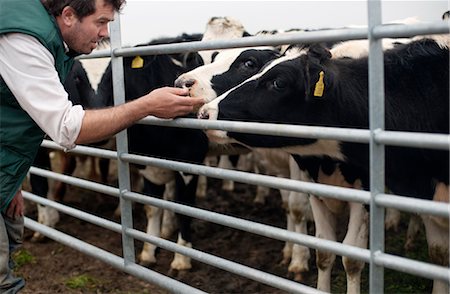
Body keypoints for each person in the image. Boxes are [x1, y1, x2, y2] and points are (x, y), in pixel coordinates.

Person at [0, 0, 204, 292]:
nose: (105, 32)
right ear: (68, 15)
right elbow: (67, 127)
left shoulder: (47, 36)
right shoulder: (24, 39)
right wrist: (147, 105)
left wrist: (11, 183)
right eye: (101, 22)